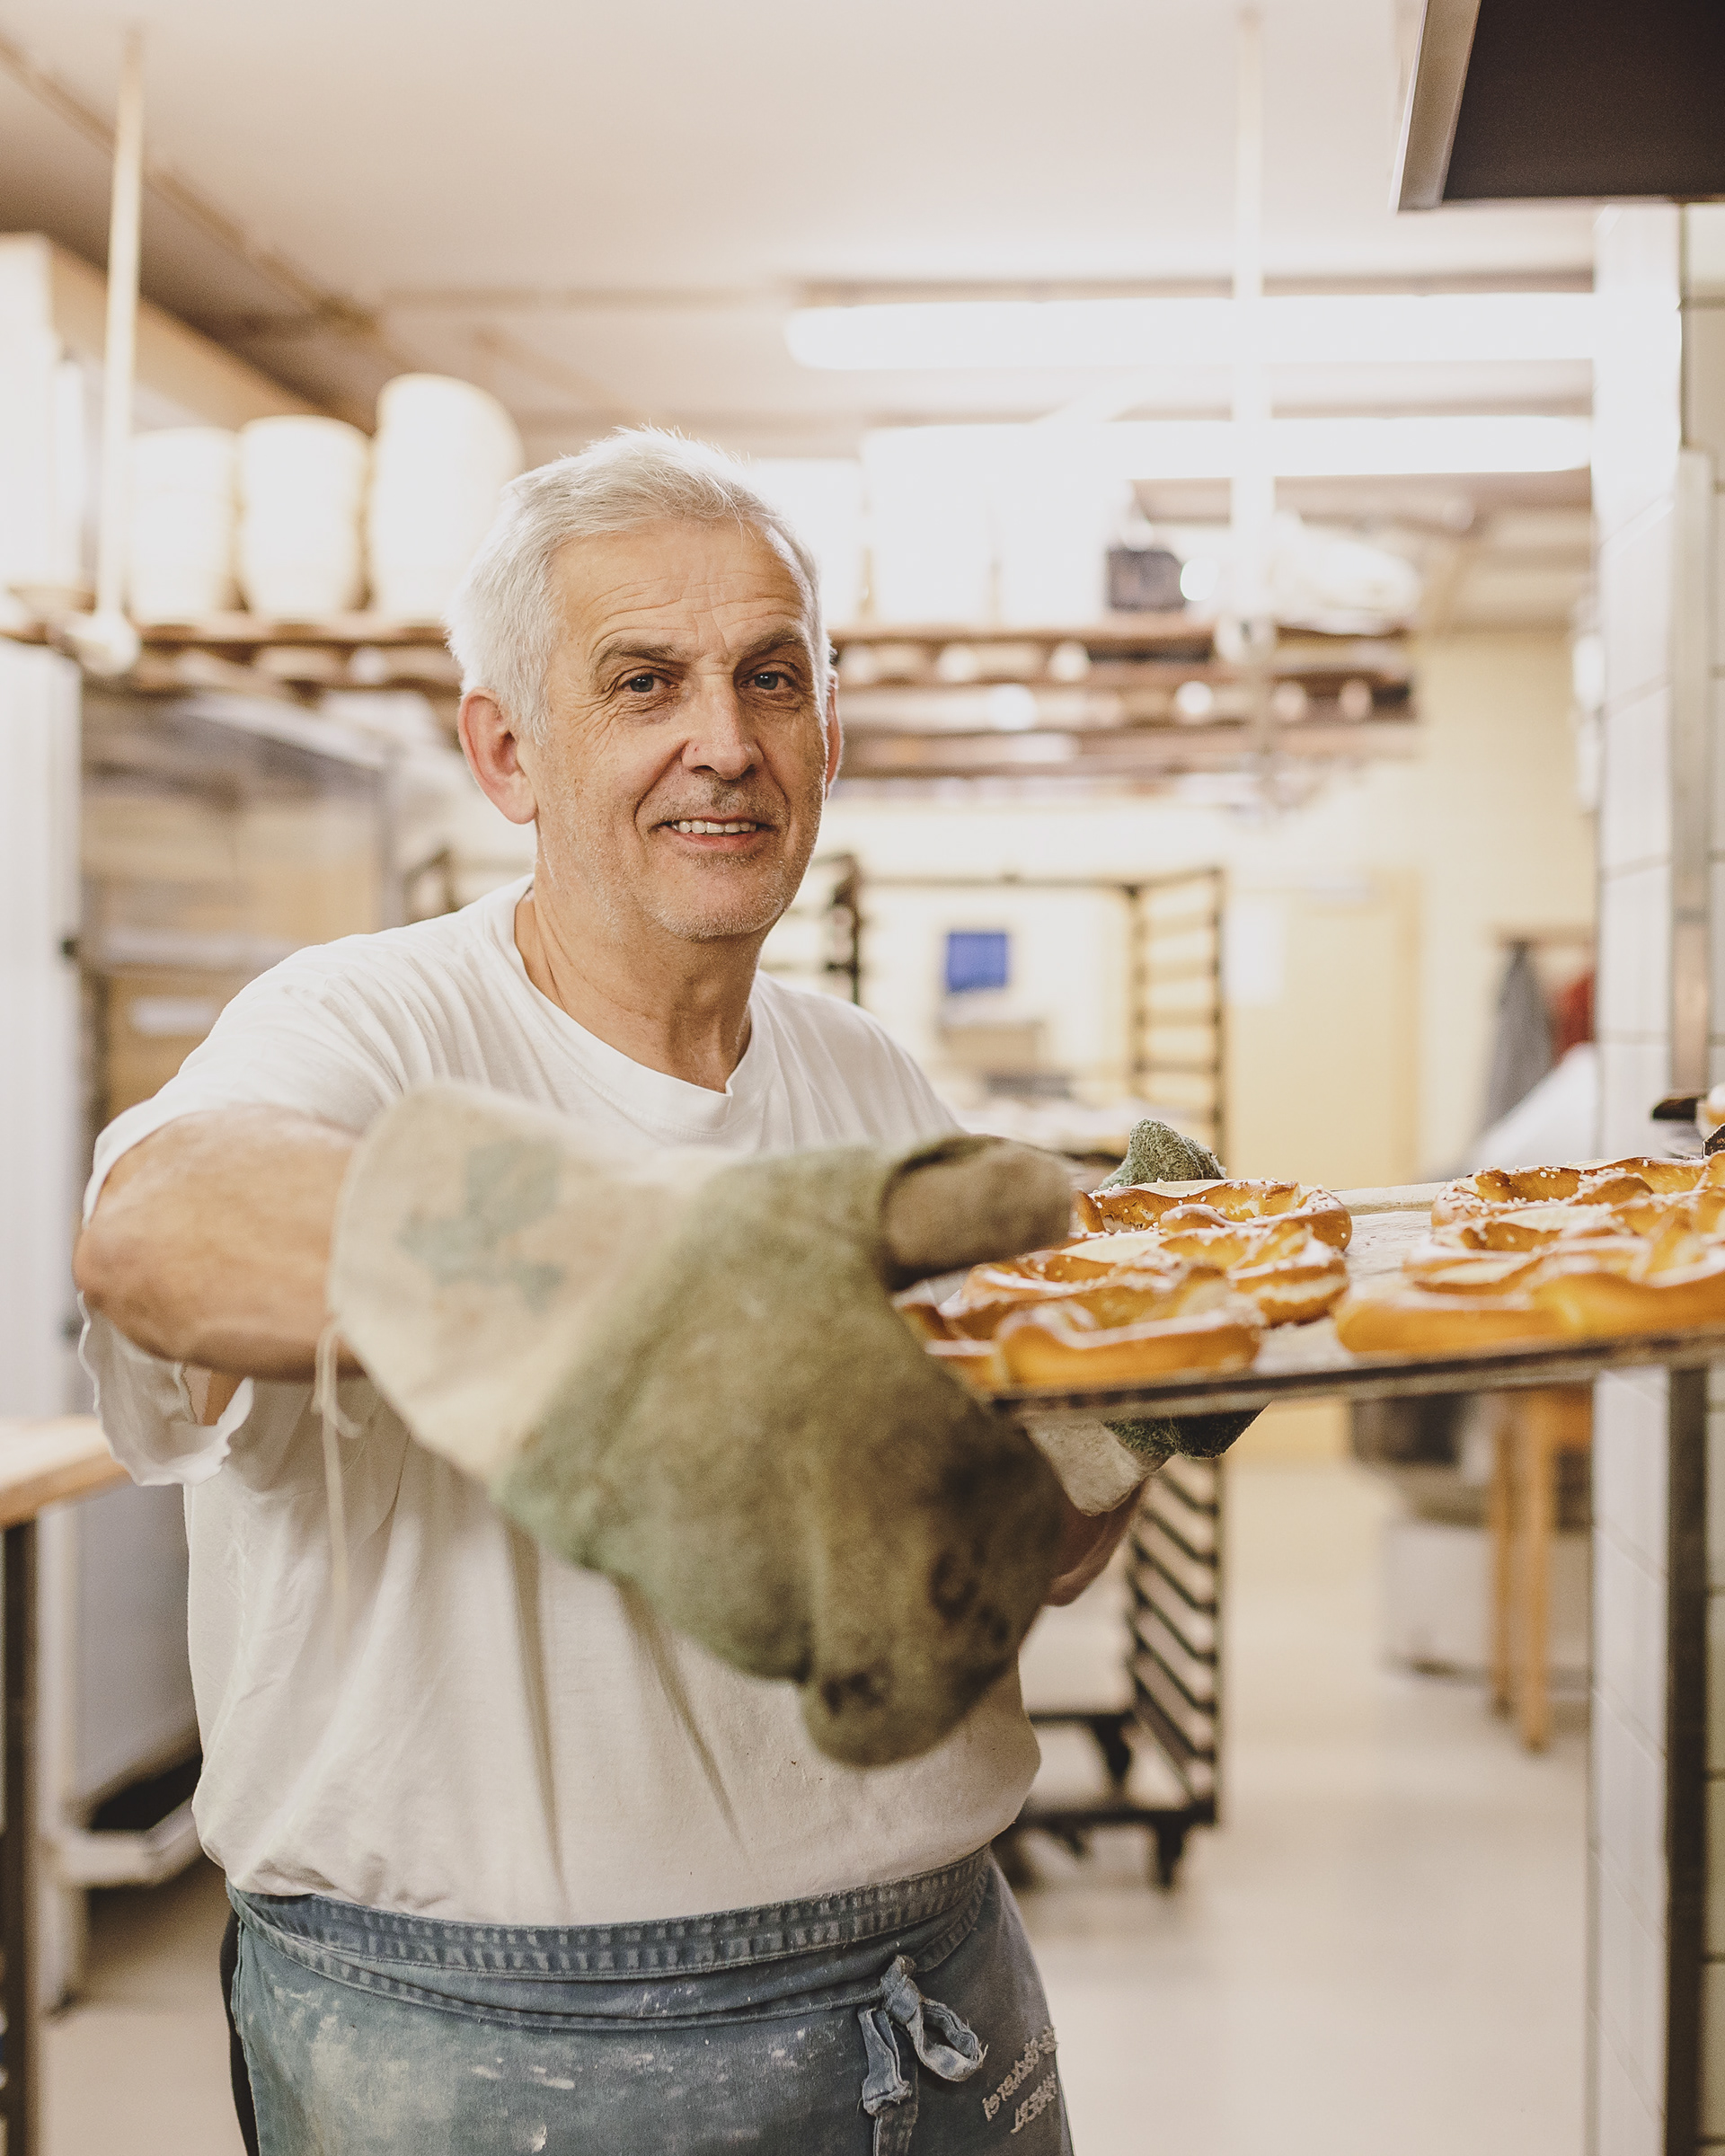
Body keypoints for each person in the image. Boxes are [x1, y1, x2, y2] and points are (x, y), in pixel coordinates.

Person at [75, 431, 1142, 2154]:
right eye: (643, 681)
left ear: (828, 734)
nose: (722, 740)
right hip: (477, 2055)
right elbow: (162, 1228)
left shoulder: (870, 1079)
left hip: (931, 1999)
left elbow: (963, 1567)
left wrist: (1113, 1416)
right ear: (508, 749)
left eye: (770, 679)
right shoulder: (369, 1023)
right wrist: (650, 1275)